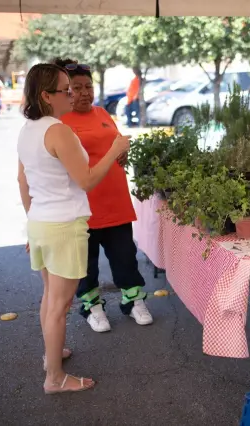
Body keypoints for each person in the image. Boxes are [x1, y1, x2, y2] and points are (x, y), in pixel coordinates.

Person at [17, 63, 130, 393]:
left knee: (50, 298)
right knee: (60, 307)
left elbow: (22, 181)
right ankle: (54, 378)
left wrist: (31, 223)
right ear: (45, 96)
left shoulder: (29, 129)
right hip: (63, 225)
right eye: (64, 89)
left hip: (41, 223)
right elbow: (86, 180)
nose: (72, 94)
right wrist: (114, 150)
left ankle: (51, 357)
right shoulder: (58, 131)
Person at [54, 58, 152, 333]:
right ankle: (92, 307)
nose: (85, 93)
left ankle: (132, 302)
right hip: (82, 206)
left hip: (115, 202)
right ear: (65, 91)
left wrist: (124, 150)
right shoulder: (59, 122)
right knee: (85, 265)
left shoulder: (101, 113)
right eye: (77, 87)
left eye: (88, 86)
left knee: (125, 258)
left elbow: (117, 145)